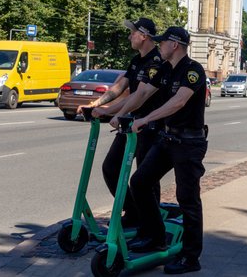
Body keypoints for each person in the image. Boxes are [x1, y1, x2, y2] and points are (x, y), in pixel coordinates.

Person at [110, 26, 207, 274]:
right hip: (167, 139)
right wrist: (122, 114)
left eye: (162, 42)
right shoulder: (165, 68)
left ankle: (190, 257)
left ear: (174, 45)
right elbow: (142, 92)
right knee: (140, 182)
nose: (159, 45)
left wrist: (145, 119)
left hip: (189, 143)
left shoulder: (193, 70)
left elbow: (179, 101)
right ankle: (155, 236)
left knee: (188, 199)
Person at [77, 17, 163, 228]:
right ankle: (133, 211)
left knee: (146, 176)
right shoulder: (136, 61)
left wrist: (118, 113)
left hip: (149, 125)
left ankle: (151, 224)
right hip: (130, 123)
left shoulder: (156, 62)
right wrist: (96, 105)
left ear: (143, 36)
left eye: (132, 33)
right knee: (111, 167)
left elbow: (140, 96)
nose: (129, 36)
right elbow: (119, 88)